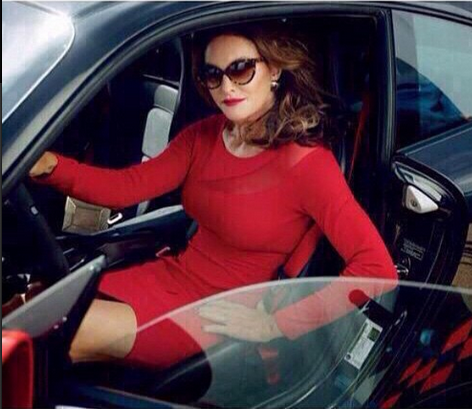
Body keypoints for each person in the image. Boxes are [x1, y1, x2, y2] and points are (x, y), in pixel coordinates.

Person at [29, 25, 398, 370]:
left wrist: (276, 324)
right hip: (169, 275)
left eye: (240, 69)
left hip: (216, 313)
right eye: (213, 74)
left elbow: (376, 269)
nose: (226, 86)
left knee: (55, 333)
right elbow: (125, 188)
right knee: (31, 307)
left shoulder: (308, 164)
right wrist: (48, 166)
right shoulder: (204, 135)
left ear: (274, 69)